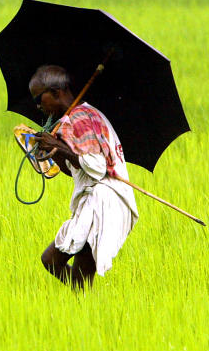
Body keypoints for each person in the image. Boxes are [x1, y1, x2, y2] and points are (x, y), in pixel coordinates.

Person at [29, 65, 138, 289]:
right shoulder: (74, 118)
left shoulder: (81, 118)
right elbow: (76, 170)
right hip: (97, 199)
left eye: (40, 99)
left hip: (103, 201)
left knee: (59, 264)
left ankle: (84, 305)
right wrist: (56, 151)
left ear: (57, 93)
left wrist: (59, 146)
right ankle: (84, 302)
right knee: (54, 263)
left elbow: (97, 167)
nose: (38, 106)